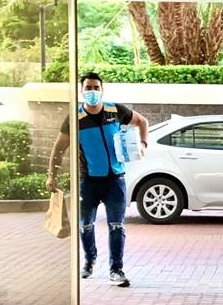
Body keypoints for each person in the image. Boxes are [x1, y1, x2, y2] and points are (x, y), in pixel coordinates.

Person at [50, 72, 149, 288]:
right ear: (81, 91)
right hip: (88, 181)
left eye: (96, 88)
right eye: (88, 88)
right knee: (85, 226)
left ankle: (116, 270)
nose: (92, 91)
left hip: (115, 181)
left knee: (117, 226)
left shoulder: (115, 111)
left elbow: (142, 121)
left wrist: (143, 144)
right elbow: (59, 149)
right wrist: (52, 175)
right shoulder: (75, 119)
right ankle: (89, 260)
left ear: (102, 90)